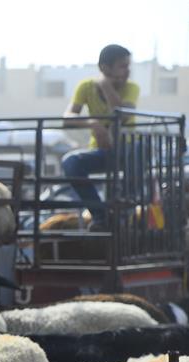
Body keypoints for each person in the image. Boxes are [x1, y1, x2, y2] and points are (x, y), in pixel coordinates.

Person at [62, 44, 139, 228]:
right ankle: (100, 215)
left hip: (128, 151)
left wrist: (105, 85)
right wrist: (93, 124)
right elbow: (67, 117)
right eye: (123, 66)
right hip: (102, 151)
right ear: (105, 67)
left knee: (138, 148)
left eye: (128, 66)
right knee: (70, 162)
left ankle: (124, 212)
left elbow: (122, 114)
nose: (128, 71)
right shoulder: (86, 87)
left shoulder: (131, 88)